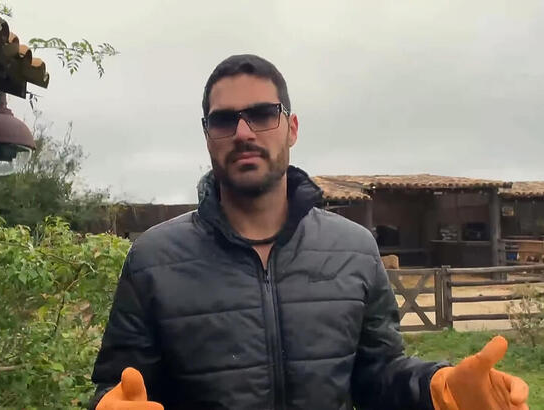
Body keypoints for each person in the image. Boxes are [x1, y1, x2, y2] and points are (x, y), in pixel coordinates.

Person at [89, 54, 529, 410]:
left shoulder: (354, 249)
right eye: (224, 121)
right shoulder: (153, 259)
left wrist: (439, 389)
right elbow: (120, 388)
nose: (243, 133)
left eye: (262, 114)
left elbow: (377, 375)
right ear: (207, 136)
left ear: (292, 128)